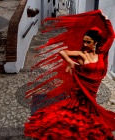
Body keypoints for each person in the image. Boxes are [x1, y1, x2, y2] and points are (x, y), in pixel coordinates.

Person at [24, 10, 115, 140]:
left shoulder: (102, 54)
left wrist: (106, 20)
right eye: (84, 41)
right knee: (71, 121)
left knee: (89, 122)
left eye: (88, 42)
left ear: (96, 43)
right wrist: (69, 61)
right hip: (80, 92)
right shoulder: (82, 54)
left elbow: (111, 37)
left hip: (92, 93)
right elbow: (63, 52)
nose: (85, 45)